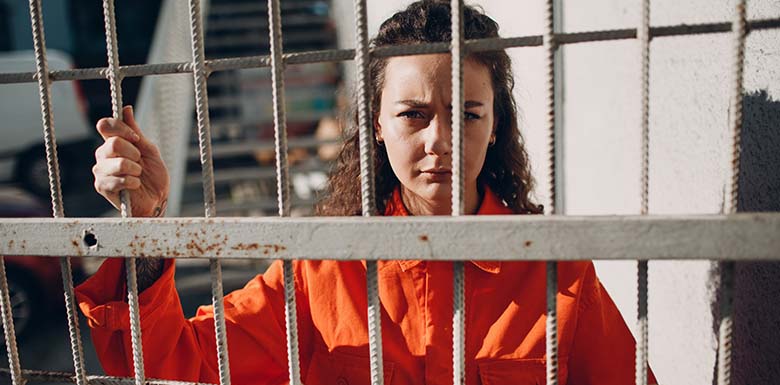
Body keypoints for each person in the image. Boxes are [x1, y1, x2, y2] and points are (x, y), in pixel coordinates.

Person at [77, 1, 657, 384]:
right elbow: (184, 363)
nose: (441, 140)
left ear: (496, 124)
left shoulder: (559, 273)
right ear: (377, 124)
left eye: (469, 113)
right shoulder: (322, 270)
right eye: (414, 114)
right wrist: (147, 226)